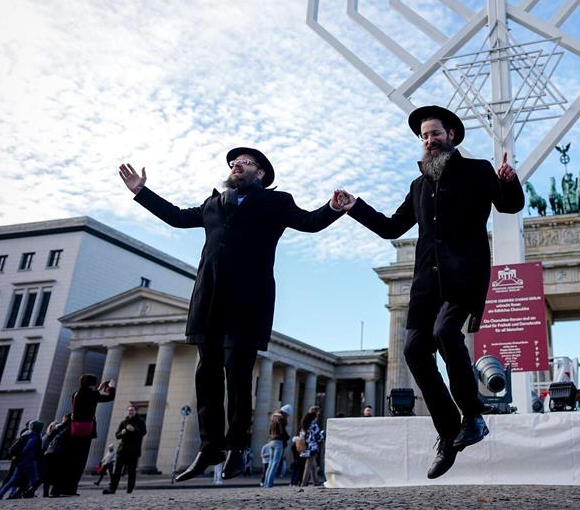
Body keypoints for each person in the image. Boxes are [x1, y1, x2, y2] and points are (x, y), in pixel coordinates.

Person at [119, 149, 344, 481]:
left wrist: (333, 208)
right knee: (206, 373)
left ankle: (237, 448)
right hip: (208, 299)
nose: (236, 166)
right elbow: (177, 217)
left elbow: (309, 223)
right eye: (233, 163)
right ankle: (209, 447)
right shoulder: (213, 204)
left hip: (248, 299)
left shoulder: (276, 202)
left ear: (261, 174)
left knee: (237, 373)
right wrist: (141, 191)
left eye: (245, 163)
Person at [334, 105, 524, 479]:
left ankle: (473, 416)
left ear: (451, 135)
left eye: (435, 133)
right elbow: (391, 227)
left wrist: (508, 181)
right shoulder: (418, 185)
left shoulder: (477, 170)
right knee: (413, 350)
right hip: (426, 283)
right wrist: (355, 207)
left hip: (465, 275)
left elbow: (510, 205)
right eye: (424, 136)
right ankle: (449, 429)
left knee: (445, 333)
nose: (429, 141)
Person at [60, 374, 115, 496]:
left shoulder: (76, 394)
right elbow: (110, 397)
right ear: (92, 384)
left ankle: (59, 488)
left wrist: (98, 390)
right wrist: (111, 387)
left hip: (73, 430)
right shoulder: (93, 395)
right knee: (79, 461)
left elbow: (88, 398)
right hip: (85, 431)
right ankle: (71, 489)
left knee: (69, 460)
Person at [0, 420, 44, 500]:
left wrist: (20, 458)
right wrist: (26, 456)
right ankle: (31, 493)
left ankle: (0, 494)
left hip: (20, 461)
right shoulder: (34, 436)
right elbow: (28, 447)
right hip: (29, 461)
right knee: (34, 478)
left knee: (13, 480)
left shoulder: (25, 434)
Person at [103, 405, 146, 494]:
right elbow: (117, 435)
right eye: (129, 410)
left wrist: (134, 430)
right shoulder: (123, 422)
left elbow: (143, 433)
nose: (130, 412)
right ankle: (112, 489)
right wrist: (121, 433)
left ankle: (129, 490)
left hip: (133, 450)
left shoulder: (140, 422)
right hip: (122, 450)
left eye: (132, 410)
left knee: (131, 471)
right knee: (117, 470)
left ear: (136, 411)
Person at [263, 404, 292, 487]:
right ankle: (269, 484)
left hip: (271, 441)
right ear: (286, 413)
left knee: (270, 463)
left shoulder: (273, 418)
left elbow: (269, 430)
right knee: (275, 463)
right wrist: (287, 437)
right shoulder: (282, 419)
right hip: (278, 442)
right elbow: (282, 431)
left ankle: (266, 483)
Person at [299, 407, 325, 487]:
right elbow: (318, 437)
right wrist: (323, 435)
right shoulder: (314, 426)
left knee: (313, 465)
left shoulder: (305, 425)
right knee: (308, 465)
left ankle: (316, 482)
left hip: (306, 447)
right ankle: (304, 482)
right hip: (312, 447)